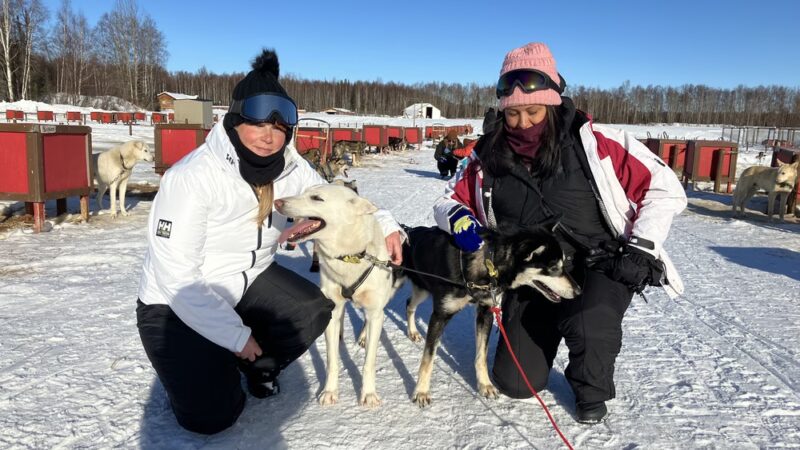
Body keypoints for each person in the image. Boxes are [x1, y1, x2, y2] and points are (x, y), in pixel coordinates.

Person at [136, 48, 404, 434]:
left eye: (280, 128)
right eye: (259, 123)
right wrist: (237, 337)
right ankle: (210, 366)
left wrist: (384, 220)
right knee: (212, 417)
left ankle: (253, 363)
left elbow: (332, 196)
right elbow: (177, 279)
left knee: (313, 309)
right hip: (176, 303)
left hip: (249, 281)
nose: (269, 136)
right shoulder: (193, 178)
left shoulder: (290, 166)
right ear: (234, 119)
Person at [432, 42, 687, 424]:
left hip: (601, 263)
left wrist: (641, 248)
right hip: (534, 272)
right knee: (515, 383)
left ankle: (591, 391)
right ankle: (542, 332)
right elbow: (448, 201)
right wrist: (460, 219)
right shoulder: (488, 156)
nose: (522, 123)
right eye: (513, 113)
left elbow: (665, 188)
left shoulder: (597, 142)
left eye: (533, 112)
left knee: (589, 319)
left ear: (552, 104)